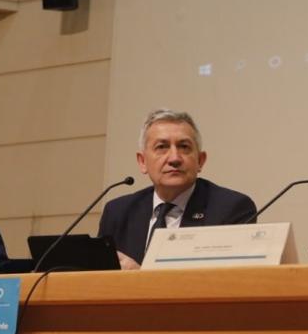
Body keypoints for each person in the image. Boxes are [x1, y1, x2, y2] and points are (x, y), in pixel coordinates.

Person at [98, 109, 257, 269]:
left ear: (200, 161)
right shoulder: (118, 212)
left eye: (184, 147)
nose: (174, 158)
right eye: (162, 147)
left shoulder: (231, 209)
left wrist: (140, 279)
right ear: (142, 162)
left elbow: (228, 283)